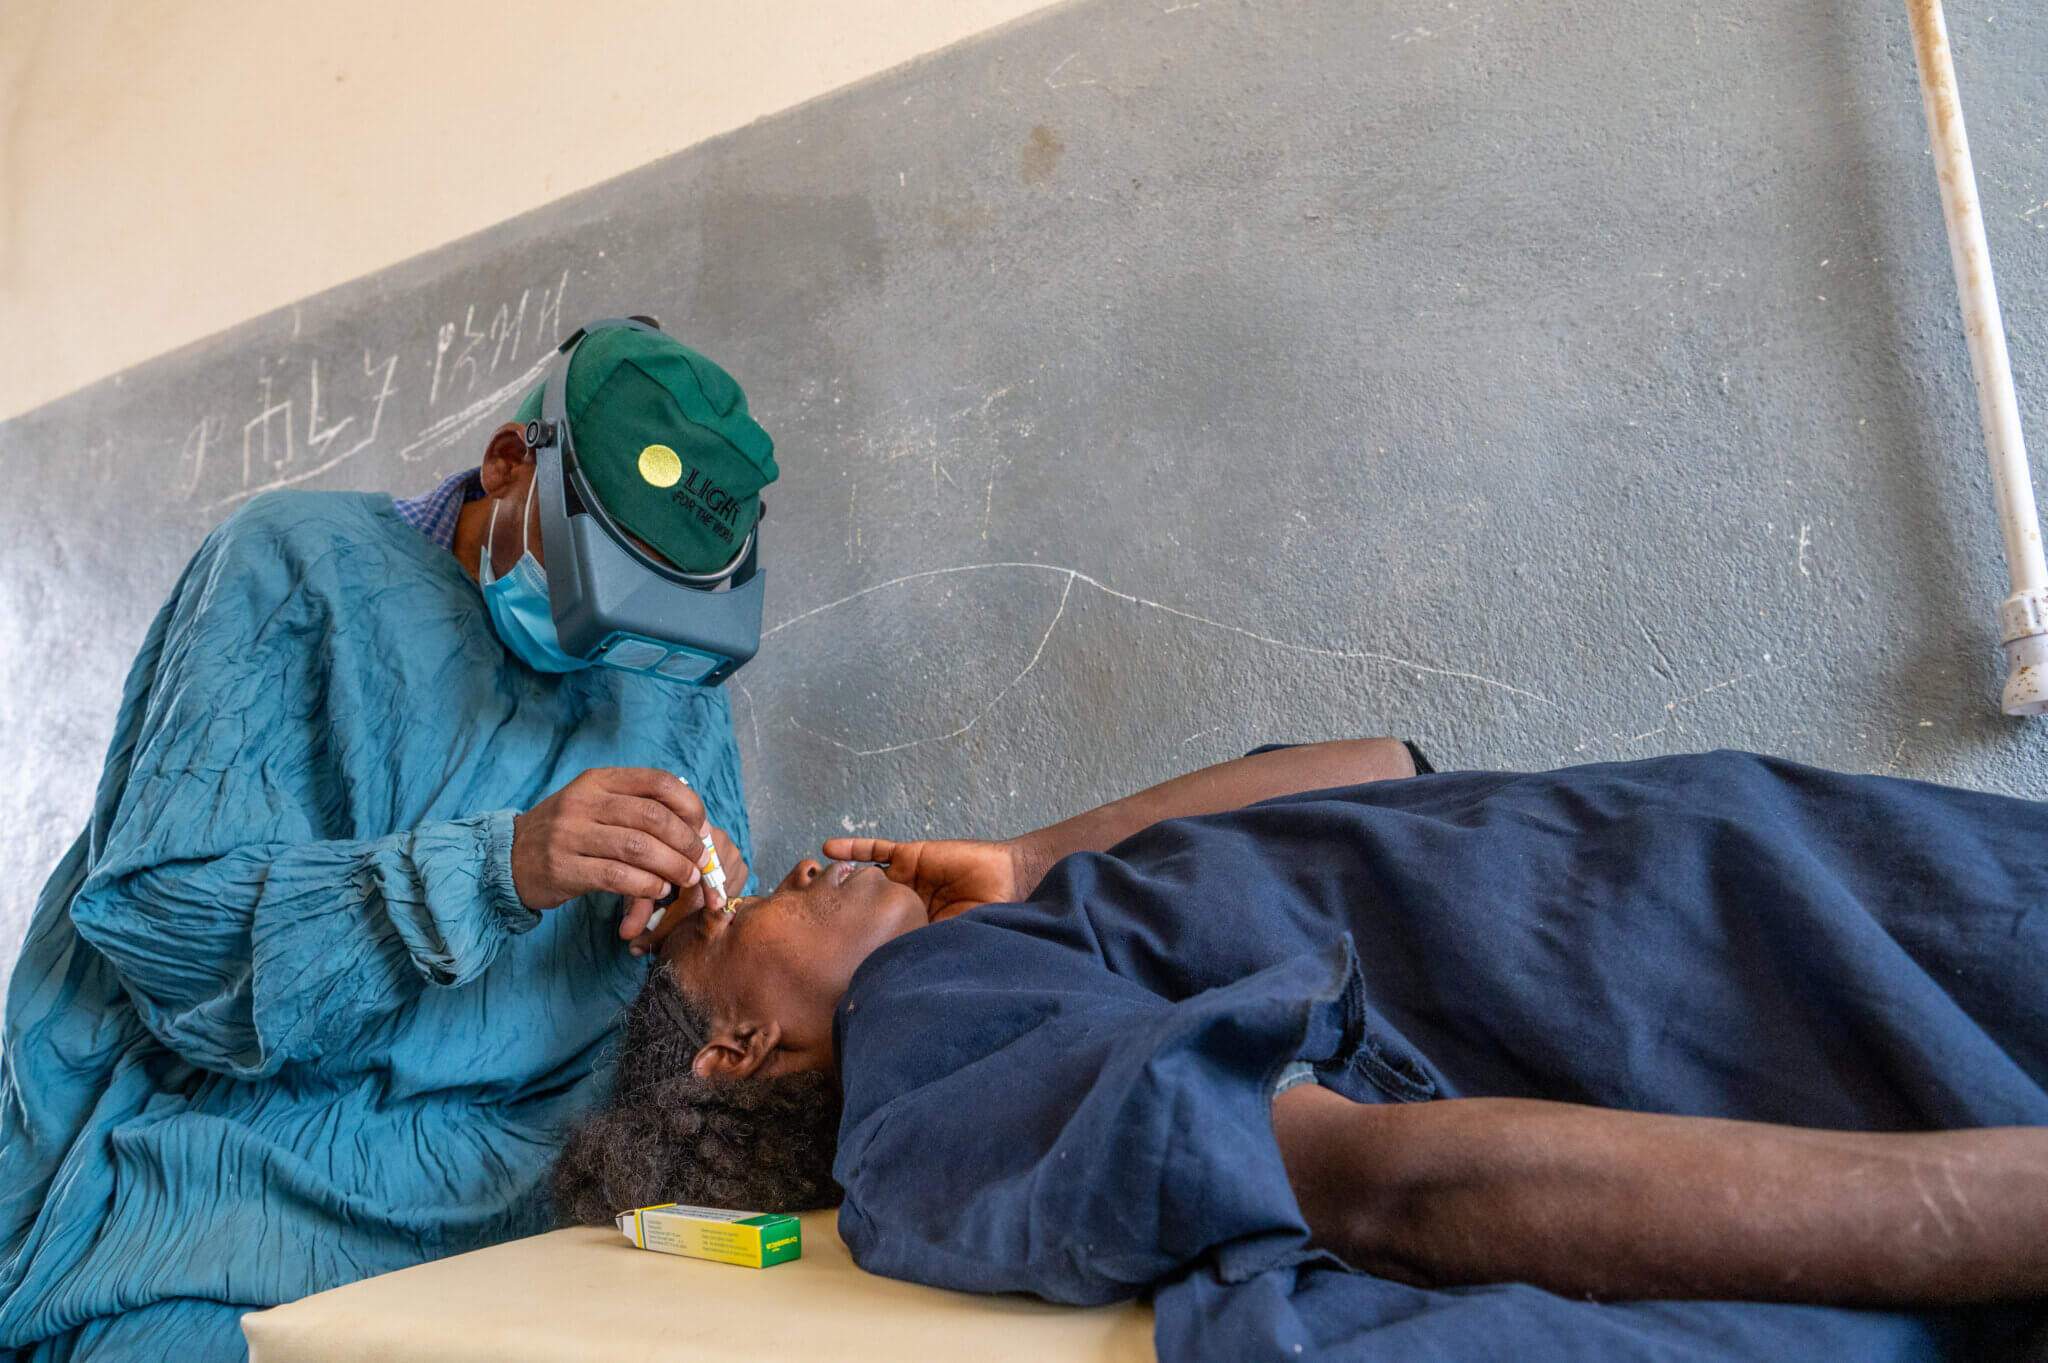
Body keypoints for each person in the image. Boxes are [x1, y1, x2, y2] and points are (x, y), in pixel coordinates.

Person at [553, 739, 2048, 1362]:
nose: (798, 863)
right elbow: (1379, 1182)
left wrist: (1027, 858)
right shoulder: (920, 1050)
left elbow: (1376, 763)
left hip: (1836, 876)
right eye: (734, 918)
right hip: (1803, 970)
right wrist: (1987, 1205)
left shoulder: (1021, 928)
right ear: (736, 1048)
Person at [0, 321, 778, 1362]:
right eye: (590, 595)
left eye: (649, 620)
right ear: (506, 464)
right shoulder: (297, 565)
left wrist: (697, 920)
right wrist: (502, 865)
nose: (610, 647)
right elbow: (167, 935)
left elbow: (702, 995)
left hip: (537, 1205)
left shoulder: (671, 663)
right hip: (239, 1197)